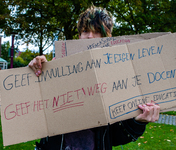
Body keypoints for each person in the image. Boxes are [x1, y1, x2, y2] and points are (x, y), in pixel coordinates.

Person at [29, 5, 160, 150]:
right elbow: (37, 114)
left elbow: (115, 137)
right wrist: (37, 72)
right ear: (79, 36)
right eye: (85, 31)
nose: (90, 36)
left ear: (108, 38)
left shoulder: (118, 77)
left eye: (97, 31)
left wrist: (137, 122)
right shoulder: (57, 66)